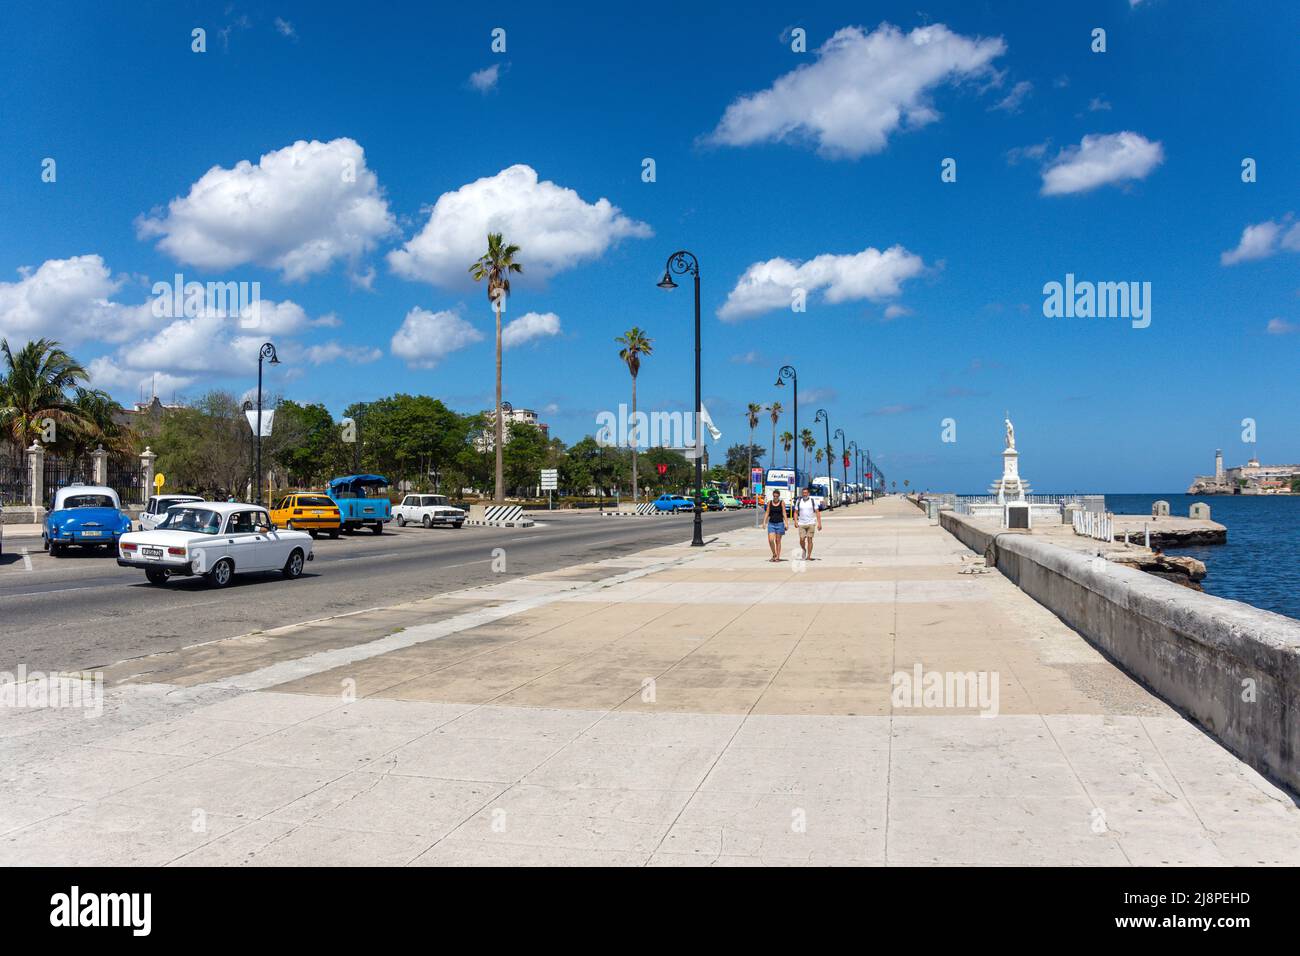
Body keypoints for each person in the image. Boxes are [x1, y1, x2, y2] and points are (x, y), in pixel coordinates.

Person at [795, 485, 823, 560]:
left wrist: (819, 523)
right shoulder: (799, 501)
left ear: (808, 493)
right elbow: (795, 512)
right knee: (801, 539)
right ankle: (804, 549)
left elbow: (817, 512)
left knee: (810, 539)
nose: (804, 494)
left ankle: (809, 556)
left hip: (811, 523)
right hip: (801, 523)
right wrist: (795, 521)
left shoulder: (812, 501)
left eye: (806, 493)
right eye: (803, 493)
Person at [765, 489, 787, 562]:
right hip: (771, 523)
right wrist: (764, 522)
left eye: (776, 496)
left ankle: (777, 556)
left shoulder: (782, 503)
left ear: (779, 496)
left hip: (780, 523)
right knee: (771, 540)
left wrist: (786, 523)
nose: (775, 498)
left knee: (778, 541)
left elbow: (784, 513)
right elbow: (767, 512)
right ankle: (774, 553)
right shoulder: (769, 503)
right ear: (773, 496)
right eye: (774, 496)